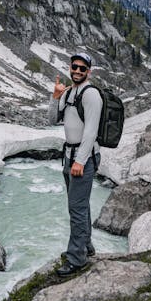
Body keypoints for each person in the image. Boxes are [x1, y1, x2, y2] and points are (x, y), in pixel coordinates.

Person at [48, 52, 103, 276]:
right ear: (70, 68)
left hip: (84, 156)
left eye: (82, 68)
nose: (77, 71)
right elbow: (52, 120)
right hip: (69, 155)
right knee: (79, 205)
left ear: (88, 71)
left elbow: (91, 131)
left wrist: (80, 160)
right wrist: (55, 97)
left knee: (76, 208)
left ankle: (76, 259)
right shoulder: (68, 92)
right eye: (75, 67)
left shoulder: (92, 95)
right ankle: (86, 246)